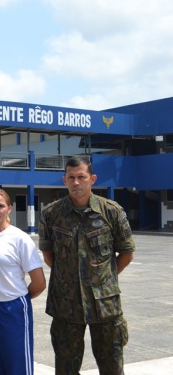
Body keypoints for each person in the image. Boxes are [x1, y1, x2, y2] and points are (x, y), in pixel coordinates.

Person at [39, 156, 135, 374]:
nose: (76, 183)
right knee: (66, 367)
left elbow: (127, 252)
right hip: (66, 304)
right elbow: (48, 254)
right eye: (71, 177)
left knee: (112, 366)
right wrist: (70, 279)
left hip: (105, 305)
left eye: (81, 177)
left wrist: (104, 278)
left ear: (92, 179)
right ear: (64, 180)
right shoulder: (51, 214)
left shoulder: (112, 211)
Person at [0, 188, 46, 375]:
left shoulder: (20, 239)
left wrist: (16, 300)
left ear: (9, 209)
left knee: (17, 367)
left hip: (13, 309)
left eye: (0, 206)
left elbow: (39, 282)